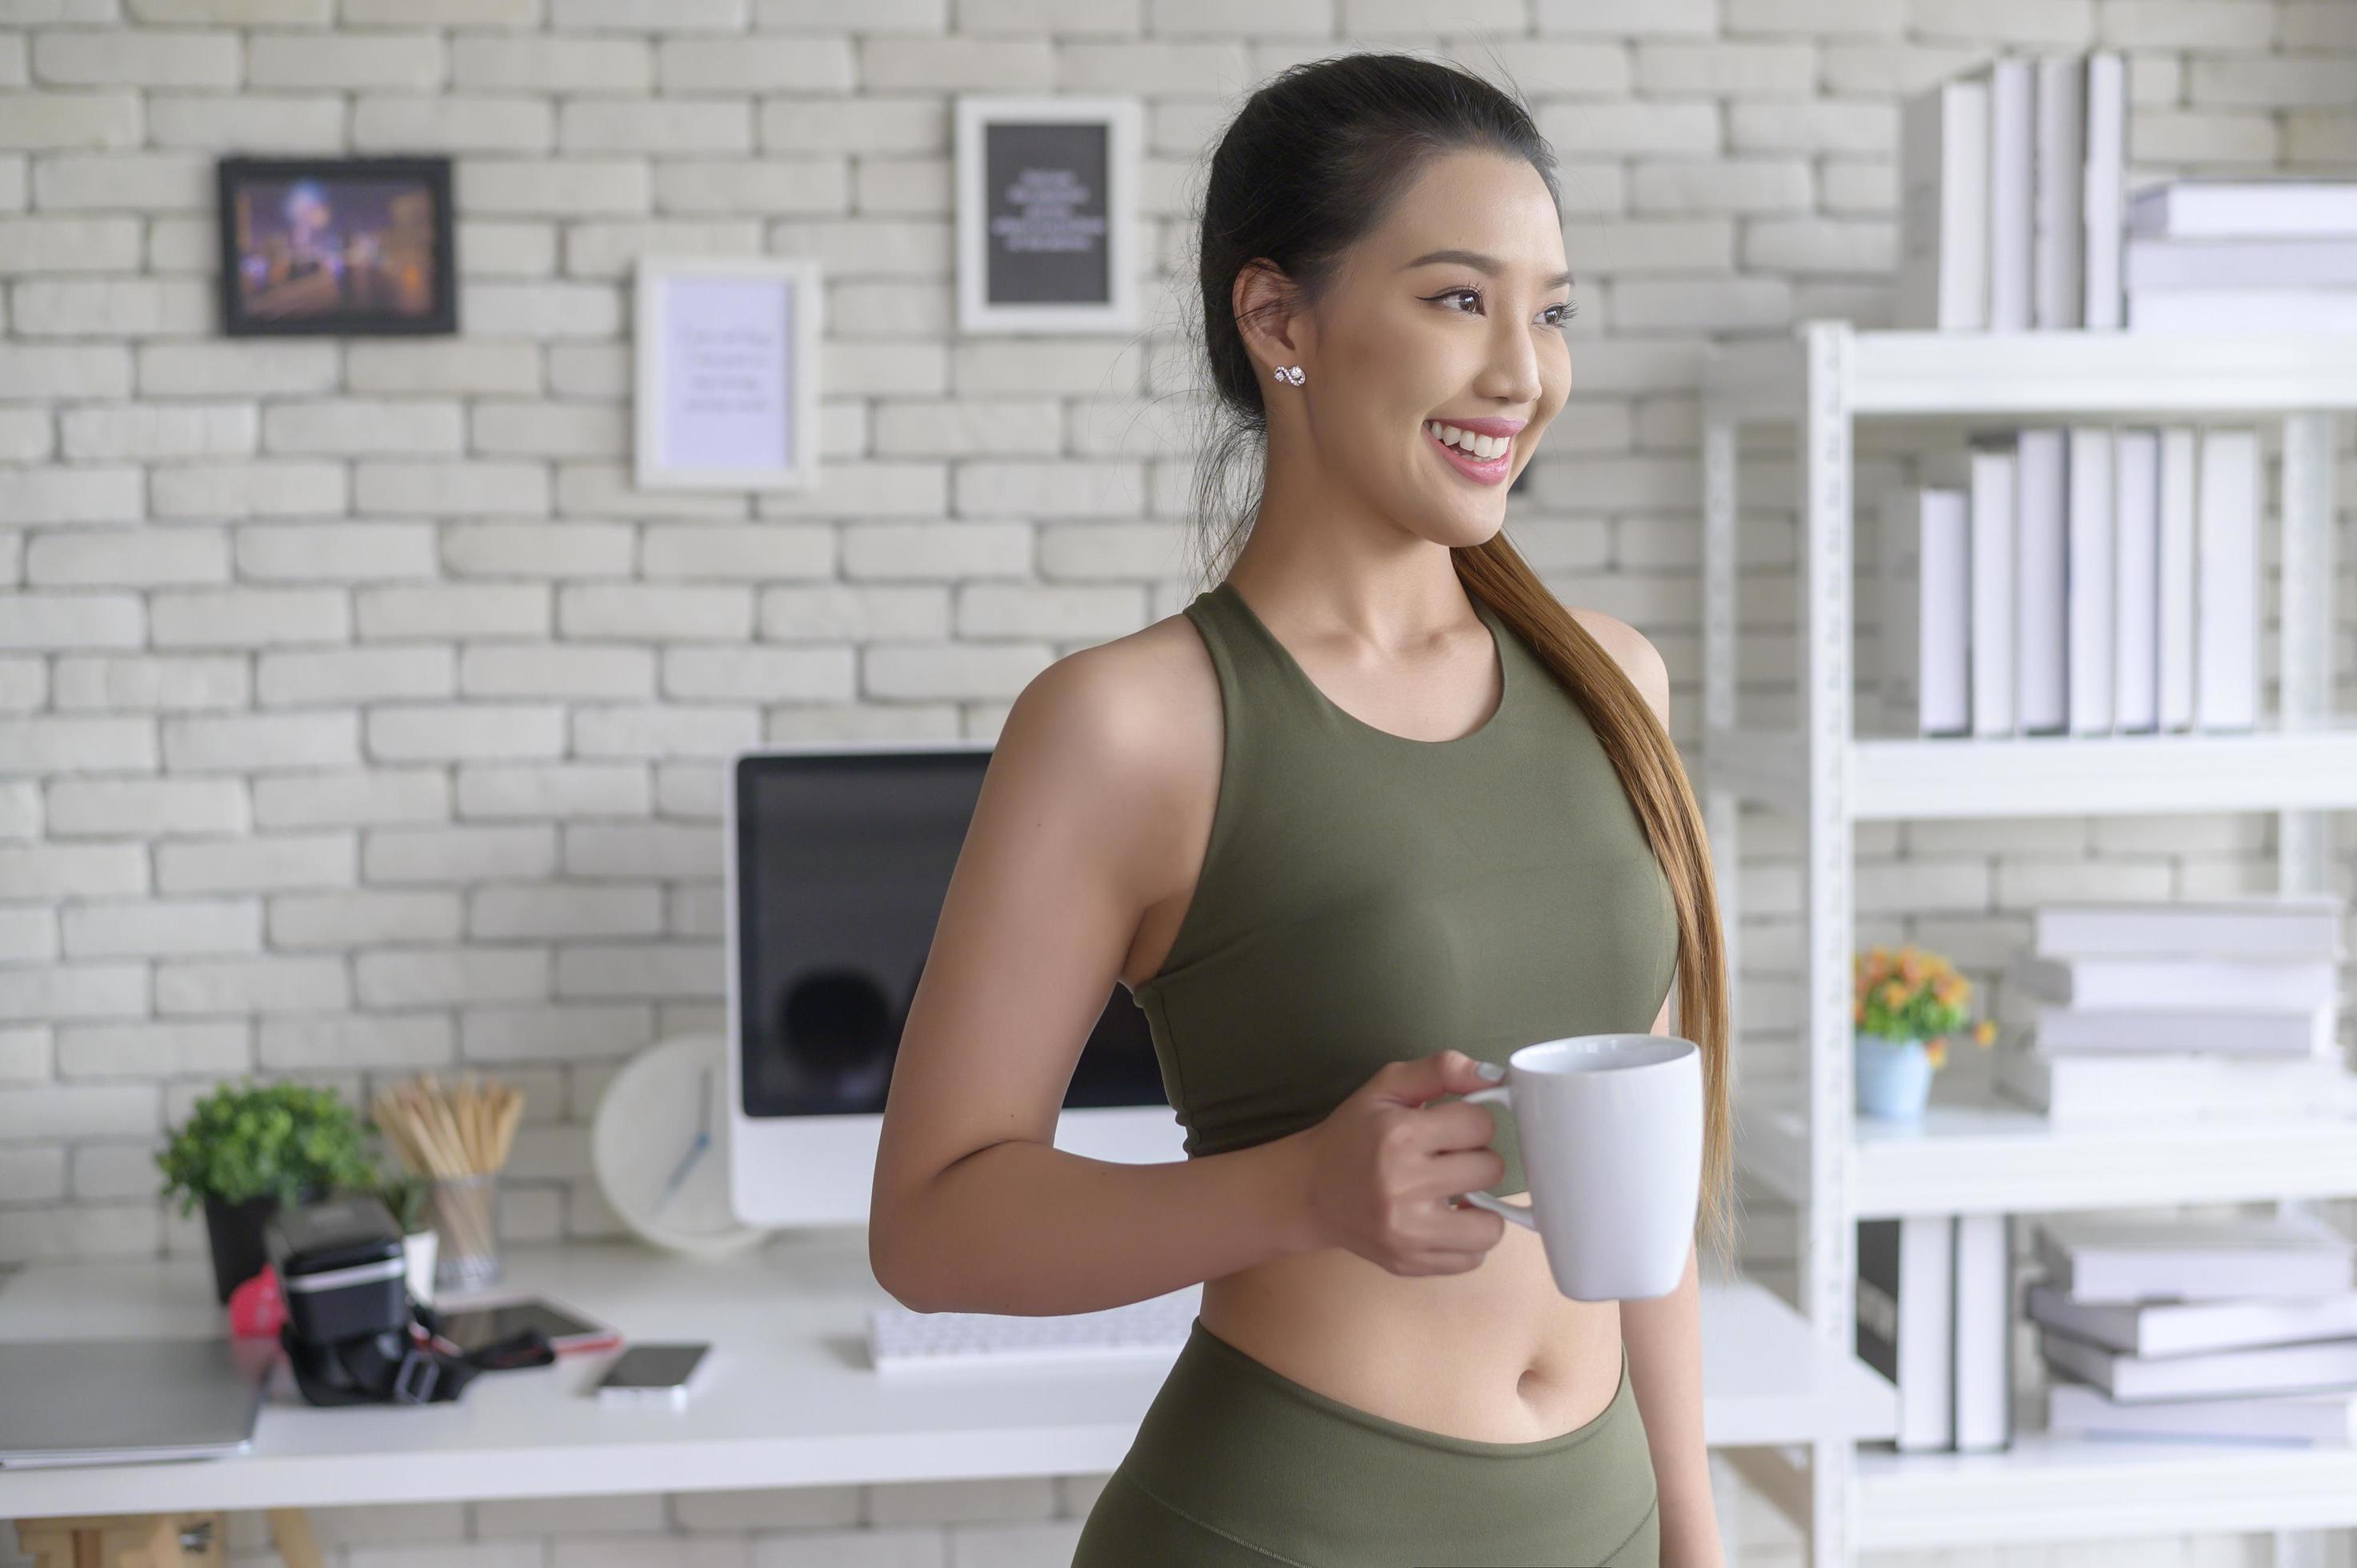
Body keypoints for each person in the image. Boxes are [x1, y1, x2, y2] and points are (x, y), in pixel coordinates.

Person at [867, 52, 1735, 1568]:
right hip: (1282, 1530)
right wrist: (1304, 1191)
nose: (1523, 372)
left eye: (1551, 310)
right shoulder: (1131, 725)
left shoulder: (1615, 683)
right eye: (1459, 299)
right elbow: (931, 1229)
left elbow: (1635, 1188)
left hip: (1601, 1525)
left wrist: (1696, 1535)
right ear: (1279, 318)